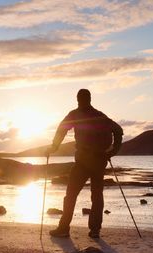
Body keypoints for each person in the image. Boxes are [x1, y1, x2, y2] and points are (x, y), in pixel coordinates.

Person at [46, 89, 123, 238]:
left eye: (80, 99)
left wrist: (54, 146)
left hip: (84, 161)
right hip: (98, 161)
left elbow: (62, 129)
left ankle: (64, 228)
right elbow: (118, 130)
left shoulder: (75, 114)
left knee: (72, 195)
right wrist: (112, 152)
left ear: (78, 99)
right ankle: (94, 230)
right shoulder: (100, 116)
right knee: (96, 195)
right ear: (89, 99)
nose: (80, 101)